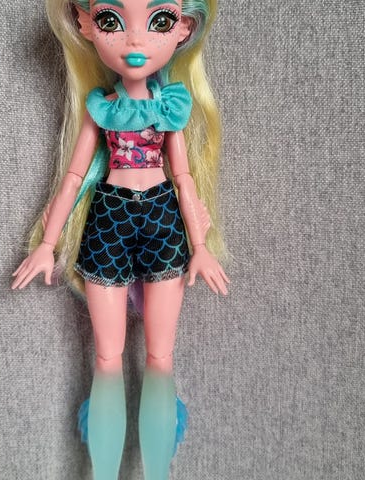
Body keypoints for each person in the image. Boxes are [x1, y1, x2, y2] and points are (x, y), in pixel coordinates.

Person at [12, 0, 228, 478]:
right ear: (85, 24)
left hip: (163, 220)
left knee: (160, 358)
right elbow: (73, 178)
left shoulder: (169, 107)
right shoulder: (102, 109)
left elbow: (184, 178)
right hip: (108, 220)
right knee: (106, 359)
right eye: (111, 20)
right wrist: (47, 244)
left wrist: (201, 247)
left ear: (183, 28)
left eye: (159, 21)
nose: (134, 40)